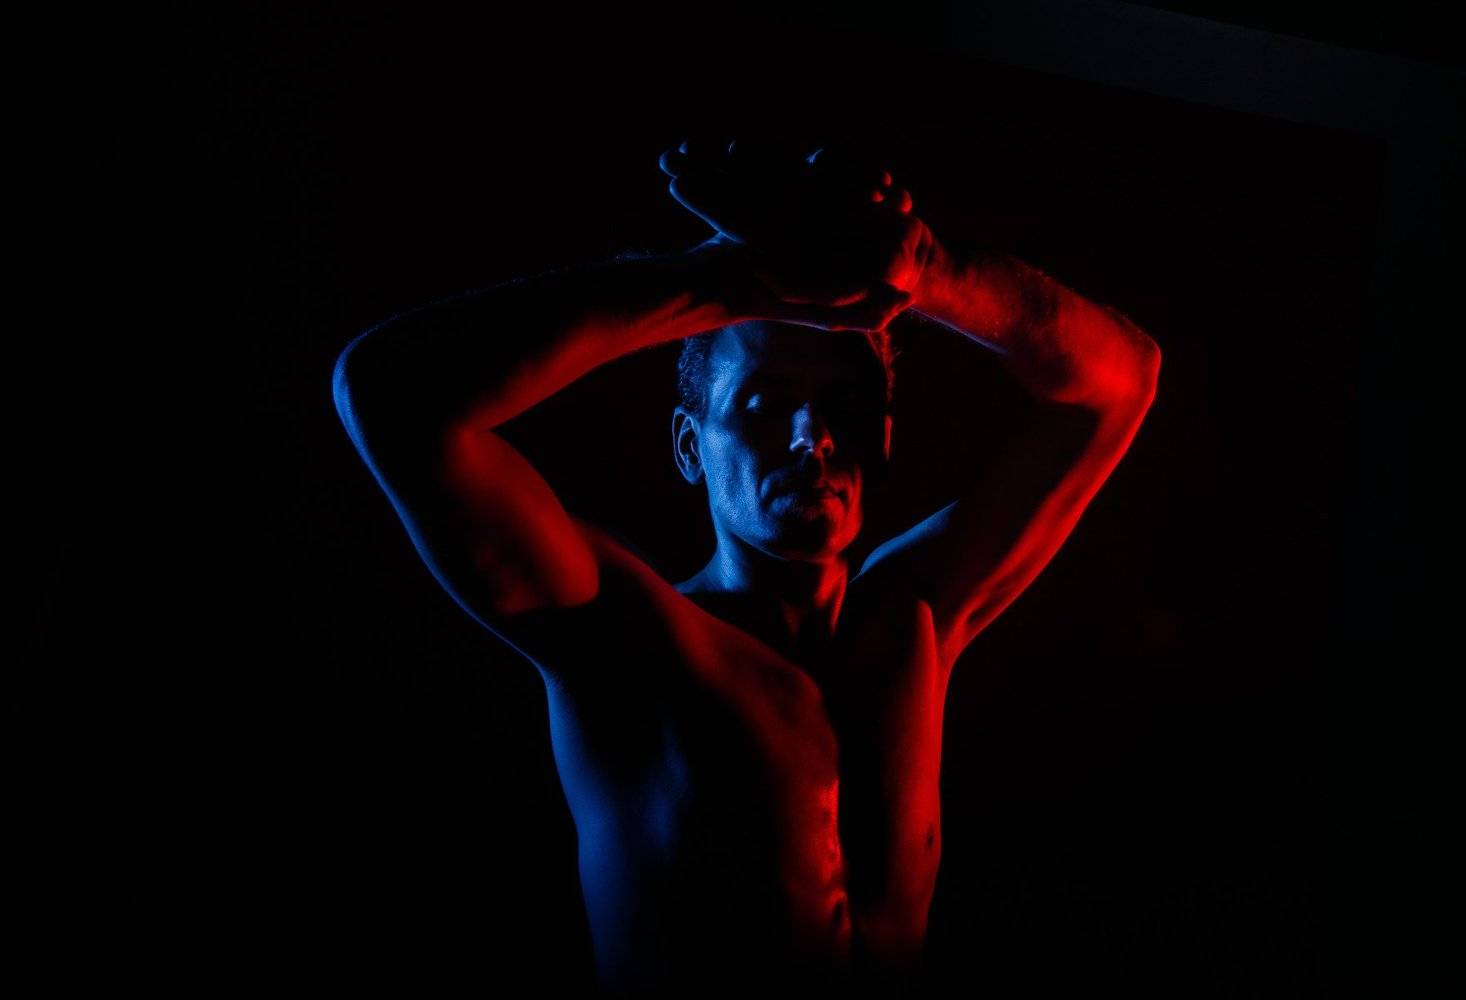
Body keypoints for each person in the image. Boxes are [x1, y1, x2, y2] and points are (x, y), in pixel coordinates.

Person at [331, 136, 1161, 994]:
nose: (812, 438)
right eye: (766, 405)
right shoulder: (625, 636)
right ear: (691, 447)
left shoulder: (911, 621)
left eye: (845, 405)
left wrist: (924, 272)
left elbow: (1121, 382)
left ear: (882, 437)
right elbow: (388, 392)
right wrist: (737, 280)